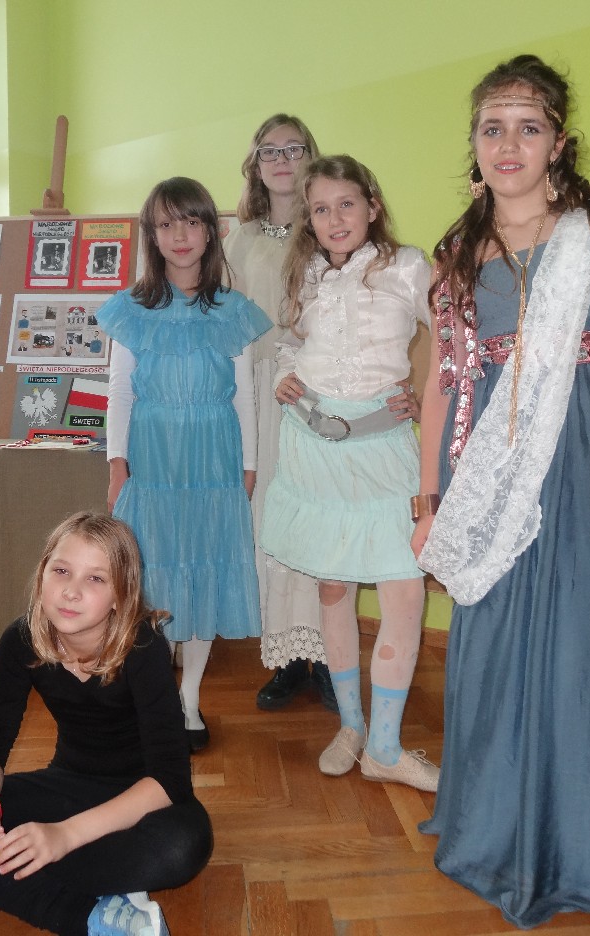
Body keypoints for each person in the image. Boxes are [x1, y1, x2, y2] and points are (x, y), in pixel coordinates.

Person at [412, 55, 590, 928]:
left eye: (528, 127)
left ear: (558, 142)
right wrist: (427, 500)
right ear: (474, 143)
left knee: (586, 654)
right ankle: (492, 834)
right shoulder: (456, 255)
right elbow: (442, 383)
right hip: (488, 479)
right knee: (490, 650)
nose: (509, 144)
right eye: (493, 128)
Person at [0, 512, 212, 936]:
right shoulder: (21, 640)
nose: (71, 590)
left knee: (183, 847)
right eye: (61, 570)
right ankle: (88, 912)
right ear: (42, 573)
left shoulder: (143, 646)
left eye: (95, 579)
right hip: (66, 787)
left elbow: (169, 781)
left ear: (121, 595)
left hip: (143, 800)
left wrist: (64, 836)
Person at [259, 155, 436, 792]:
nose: (334, 219)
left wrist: (426, 397)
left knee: (404, 591)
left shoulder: (407, 266)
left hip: (383, 445)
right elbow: (293, 340)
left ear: (372, 205)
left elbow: (455, 343)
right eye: (320, 209)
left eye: (346, 204)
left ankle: (386, 746)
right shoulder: (305, 274)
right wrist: (285, 372)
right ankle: (353, 727)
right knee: (332, 587)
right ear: (308, 219)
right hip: (314, 444)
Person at [100, 177, 270, 753]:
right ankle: (152, 701)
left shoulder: (232, 311)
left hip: (213, 463)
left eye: (191, 222)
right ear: (152, 234)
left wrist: (249, 466)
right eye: (166, 223)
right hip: (152, 463)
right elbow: (120, 394)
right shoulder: (132, 309)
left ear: (211, 232)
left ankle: (189, 699)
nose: (180, 235)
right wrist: (116, 464)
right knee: (152, 580)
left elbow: (244, 397)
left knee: (202, 577)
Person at [224, 114, 337, 713]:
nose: (282, 159)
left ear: (310, 156)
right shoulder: (238, 240)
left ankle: (331, 657)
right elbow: (226, 322)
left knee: (322, 517)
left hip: (323, 389)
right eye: (270, 150)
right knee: (275, 520)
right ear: (256, 163)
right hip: (264, 393)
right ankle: (290, 658)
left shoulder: (328, 225)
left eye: (294, 149)